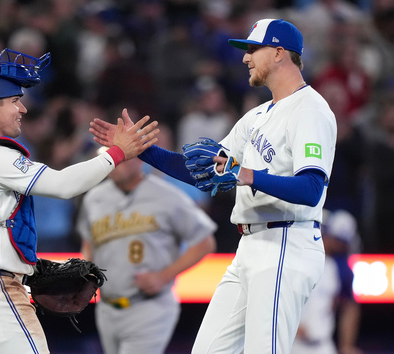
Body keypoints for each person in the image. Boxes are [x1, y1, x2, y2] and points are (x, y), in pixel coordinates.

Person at [89, 18, 337, 354]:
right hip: (250, 245)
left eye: (253, 49)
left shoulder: (311, 110)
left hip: (286, 242)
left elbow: (310, 190)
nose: (246, 58)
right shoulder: (257, 115)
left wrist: (245, 173)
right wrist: (140, 151)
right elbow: (202, 171)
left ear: (280, 53)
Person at [0, 46, 159, 354]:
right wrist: (118, 153)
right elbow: (63, 184)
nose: (23, 109)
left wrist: (27, 267)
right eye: (15, 101)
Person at [76, 151, 217, 354]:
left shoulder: (167, 196)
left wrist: (163, 276)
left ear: (140, 158)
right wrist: (86, 270)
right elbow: (88, 241)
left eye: (122, 157)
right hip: (106, 306)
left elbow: (205, 242)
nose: (116, 164)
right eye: (110, 158)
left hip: (150, 306)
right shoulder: (94, 198)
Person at [292, 209, 362, 354]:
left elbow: (350, 306)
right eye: (335, 239)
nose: (337, 245)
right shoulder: (298, 257)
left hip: (322, 344)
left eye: (341, 242)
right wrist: (290, 325)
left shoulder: (340, 268)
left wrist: (346, 345)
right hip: (292, 341)